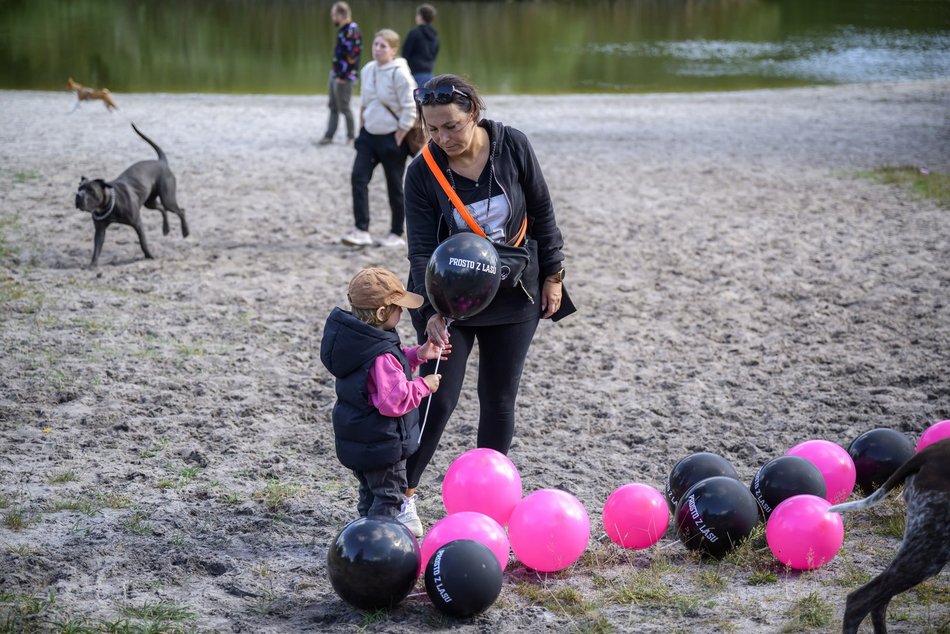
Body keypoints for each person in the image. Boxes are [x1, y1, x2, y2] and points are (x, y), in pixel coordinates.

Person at [401, 74, 574, 530]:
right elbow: (420, 250)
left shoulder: (512, 145)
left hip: (515, 293)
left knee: (498, 399)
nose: (443, 138)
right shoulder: (422, 172)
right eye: (432, 128)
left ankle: (486, 504)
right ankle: (401, 495)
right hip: (450, 302)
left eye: (452, 126)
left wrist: (553, 273)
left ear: (473, 113)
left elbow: (541, 210)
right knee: (436, 399)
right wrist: (432, 311)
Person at [320, 267, 451, 537]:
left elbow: (390, 364)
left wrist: (418, 354)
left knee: (369, 496)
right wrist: (424, 385)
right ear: (382, 313)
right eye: (397, 308)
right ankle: (378, 544)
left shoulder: (358, 343)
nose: (402, 313)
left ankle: (362, 536)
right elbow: (394, 398)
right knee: (390, 499)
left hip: (360, 443)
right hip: (382, 445)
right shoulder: (380, 355)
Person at [341, 29, 418, 248]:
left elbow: (410, 104)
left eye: (383, 46)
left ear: (393, 50)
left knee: (394, 186)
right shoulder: (367, 70)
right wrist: (362, 123)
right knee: (358, 178)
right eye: (375, 44)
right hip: (368, 137)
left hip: (392, 139)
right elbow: (365, 100)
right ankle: (361, 230)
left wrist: (402, 130)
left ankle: (396, 232)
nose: (377, 49)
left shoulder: (400, 73)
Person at [319, 2, 361, 145]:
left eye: (333, 15)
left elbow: (353, 56)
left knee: (344, 107)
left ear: (341, 15)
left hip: (344, 78)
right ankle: (329, 135)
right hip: (335, 74)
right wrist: (335, 73)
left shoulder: (352, 31)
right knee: (332, 106)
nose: (332, 18)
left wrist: (343, 77)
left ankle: (351, 137)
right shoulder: (343, 30)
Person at [402, 4, 440, 89]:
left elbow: (405, 53)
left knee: (414, 100)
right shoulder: (435, 35)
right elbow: (435, 53)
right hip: (429, 74)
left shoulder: (414, 33)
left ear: (420, 16)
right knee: (427, 100)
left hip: (414, 75)